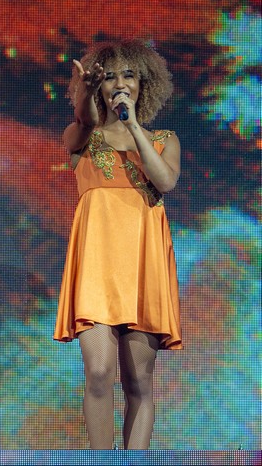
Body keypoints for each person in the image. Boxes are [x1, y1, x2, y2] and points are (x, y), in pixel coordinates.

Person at [54, 39, 182, 449]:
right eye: (109, 77)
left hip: (143, 267)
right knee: (98, 372)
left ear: (144, 84)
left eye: (129, 76)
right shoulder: (82, 138)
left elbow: (165, 181)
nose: (120, 84)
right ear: (98, 87)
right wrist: (85, 94)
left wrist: (133, 127)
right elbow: (82, 121)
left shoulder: (164, 139)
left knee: (138, 379)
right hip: (97, 267)